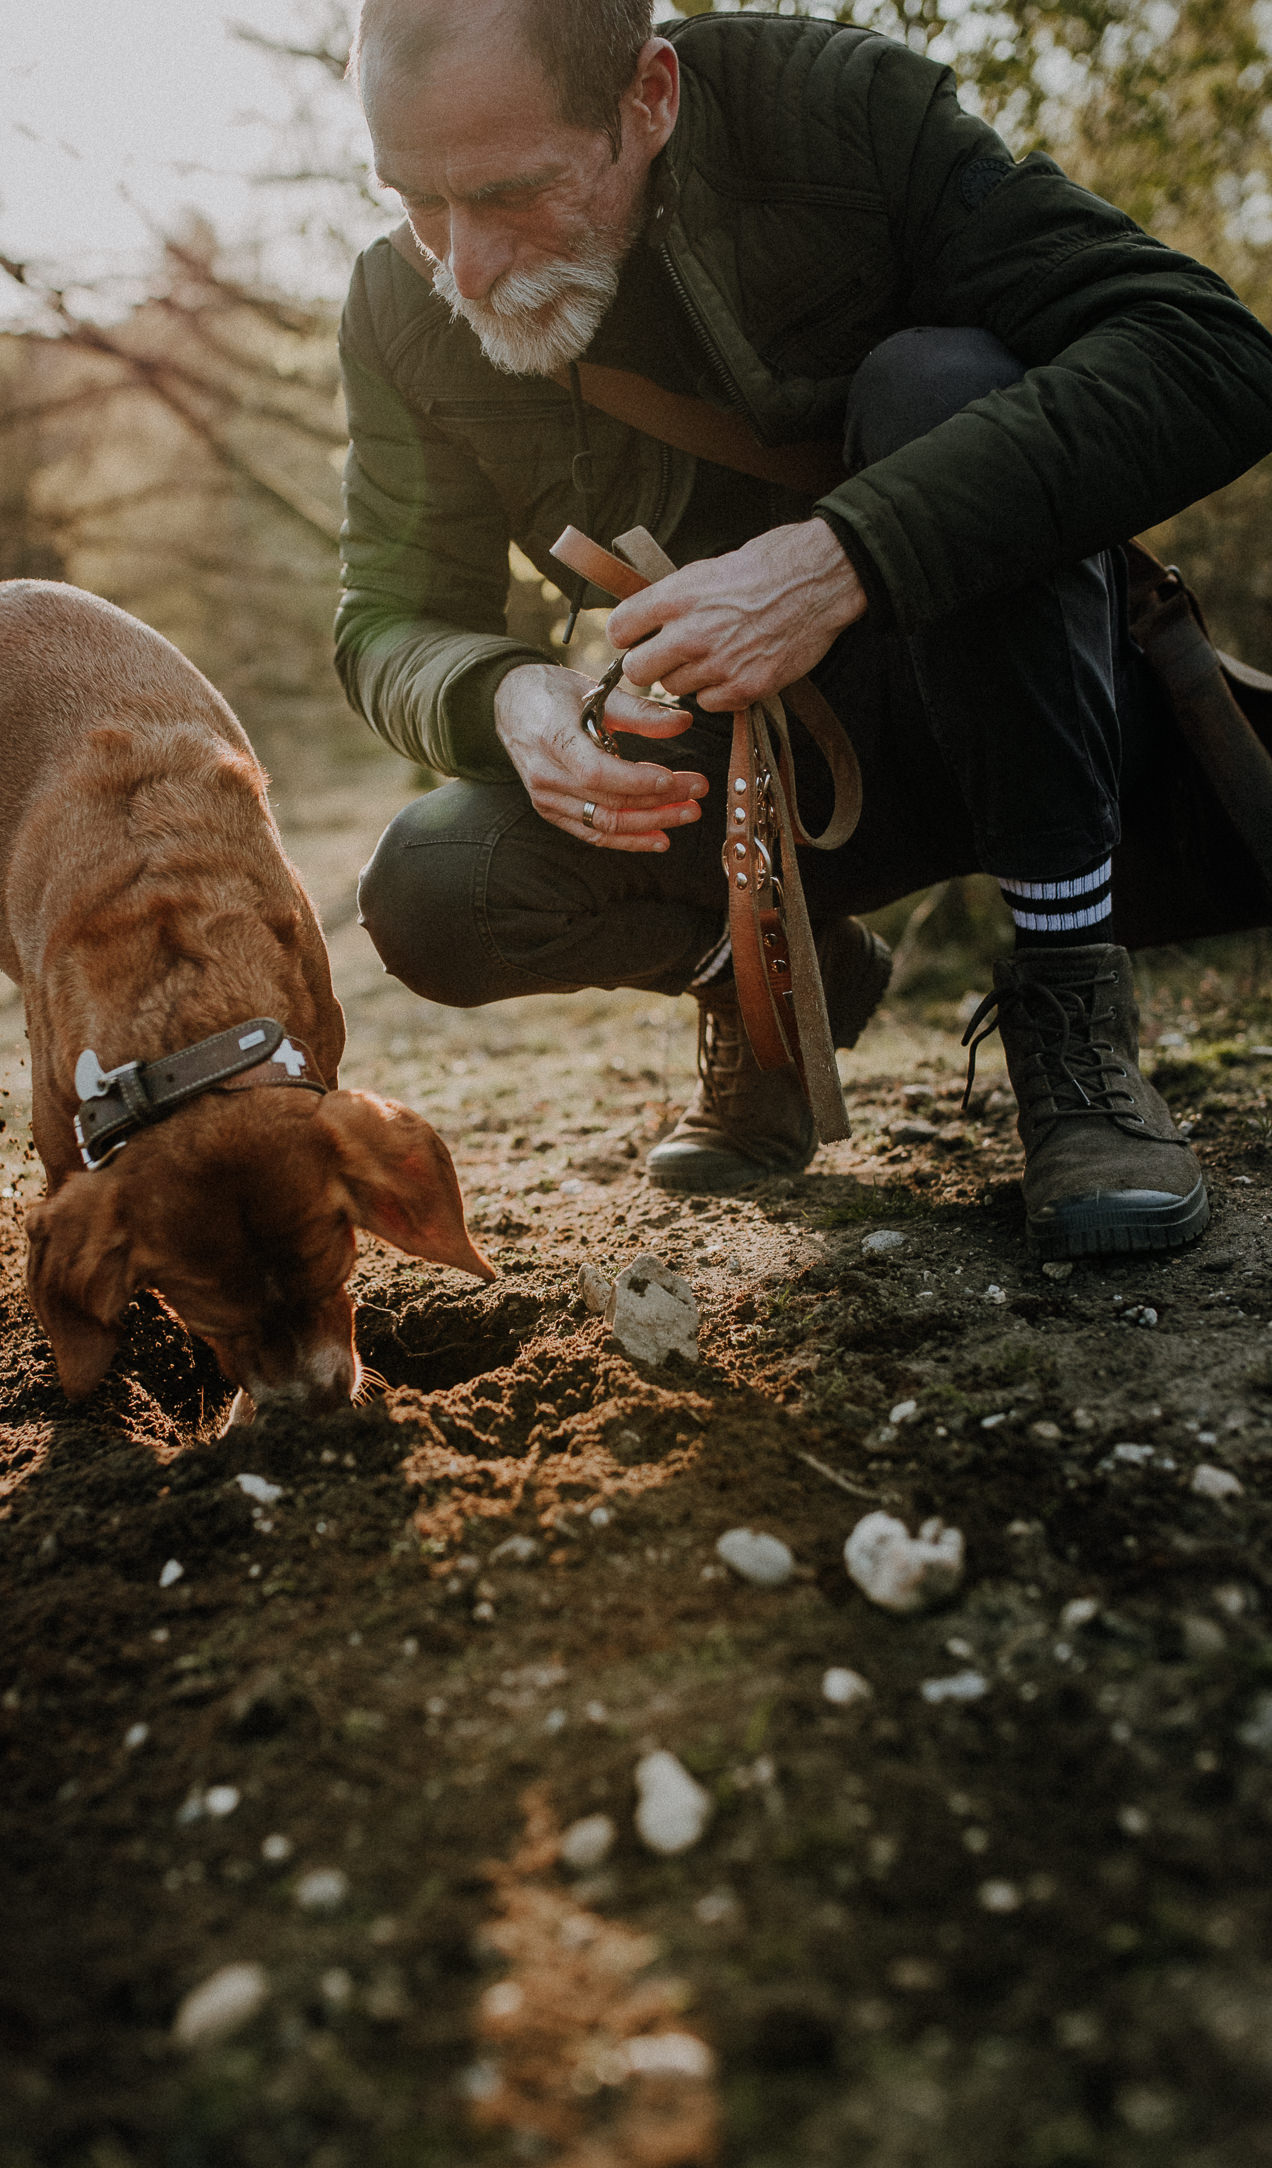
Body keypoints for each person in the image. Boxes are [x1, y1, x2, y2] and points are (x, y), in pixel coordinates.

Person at [336, 0, 1272, 1255]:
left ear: (648, 98)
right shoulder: (396, 308)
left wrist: (842, 559)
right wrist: (500, 690)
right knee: (431, 888)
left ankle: (1074, 1027)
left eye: (512, 194)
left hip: (1037, 713)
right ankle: (774, 983)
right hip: (740, 792)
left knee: (939, 383)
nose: (464, 267)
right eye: (416, 200)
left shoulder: (838, 111)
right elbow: (388, 616)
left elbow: (1208, 354)